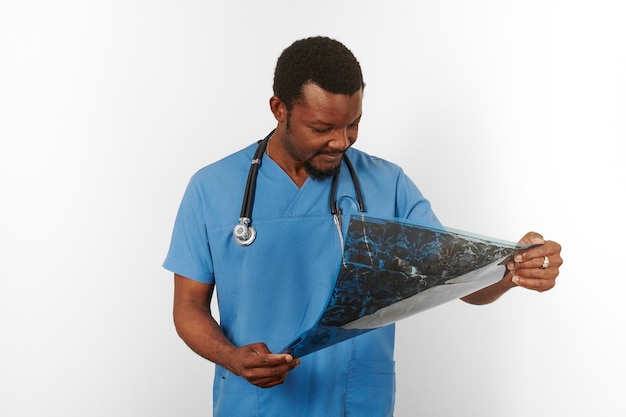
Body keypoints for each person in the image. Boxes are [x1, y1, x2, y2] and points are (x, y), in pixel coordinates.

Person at [163, 36, 563, 417]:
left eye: (352, 124)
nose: (341, 141)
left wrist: (510, 271)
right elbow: (188, 307)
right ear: (278, 109)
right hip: (255, 404)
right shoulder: (211, 188)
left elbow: (458, 283)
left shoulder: (387, 185)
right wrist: (231, 357)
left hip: (353, 402)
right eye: (322, 128)